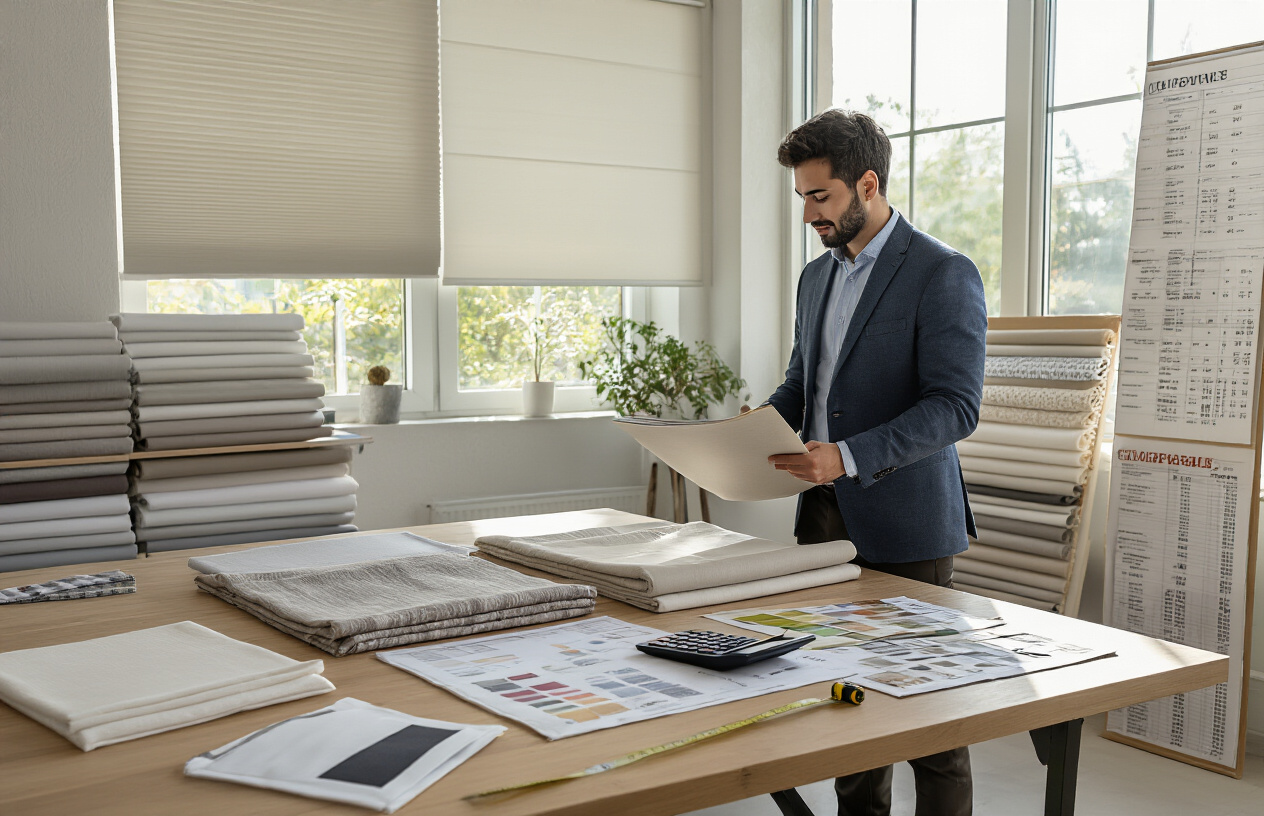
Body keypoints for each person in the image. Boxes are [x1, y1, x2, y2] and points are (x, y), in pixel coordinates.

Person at [765, 109, 987, 816]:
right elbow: (806, 385)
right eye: (802, 197)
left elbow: (955, 407)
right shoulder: (813, 279)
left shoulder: (942, 272)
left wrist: (851, 456)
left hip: (908, 526)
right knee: (845, 700)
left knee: (929, 722)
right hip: (824, 519)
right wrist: (750, 428)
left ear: (867, 182)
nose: (809, 213)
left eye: (820, 196)